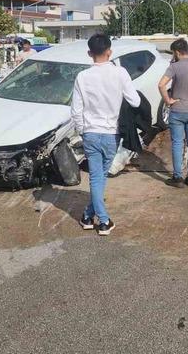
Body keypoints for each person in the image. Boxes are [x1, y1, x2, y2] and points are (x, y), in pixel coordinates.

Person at [71, 34, 140, 236]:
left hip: (90, 133)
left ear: (89, 53)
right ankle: (103, 221)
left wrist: (82, 130)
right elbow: (135, 101)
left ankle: (87, 216)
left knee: (96, 177)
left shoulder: (82, 77)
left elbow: (76, 110)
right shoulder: (120, 73)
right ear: (110, 51)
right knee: (100, 177)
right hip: (111, 133)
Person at [159, 39, 188, 187]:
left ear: (177, 52)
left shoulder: (174, 67)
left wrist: (168, 101)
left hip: (178, 110)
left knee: (178, 143)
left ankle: (178, 177)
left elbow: (161, 84)